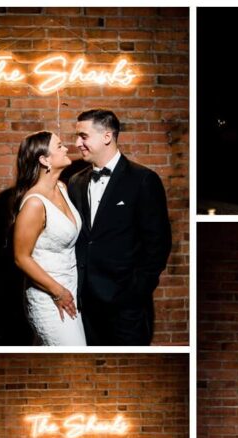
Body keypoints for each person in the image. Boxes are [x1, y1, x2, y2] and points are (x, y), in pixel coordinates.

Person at [68, 109, 172, 345]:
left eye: (83, 136)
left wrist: (135, 292)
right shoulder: (75, 183)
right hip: (84, 304)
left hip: (126, 305)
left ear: (107, 136)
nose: (77, 143)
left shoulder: (143, 179)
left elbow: (158, 243)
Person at [11, 131, 86, 346]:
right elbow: (21, 258)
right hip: (49, 294)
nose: (66, 148)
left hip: (71, 289)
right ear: (44, 159)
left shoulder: (62, 188)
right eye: (60, 146)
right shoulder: (35, 203)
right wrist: (58, 292)